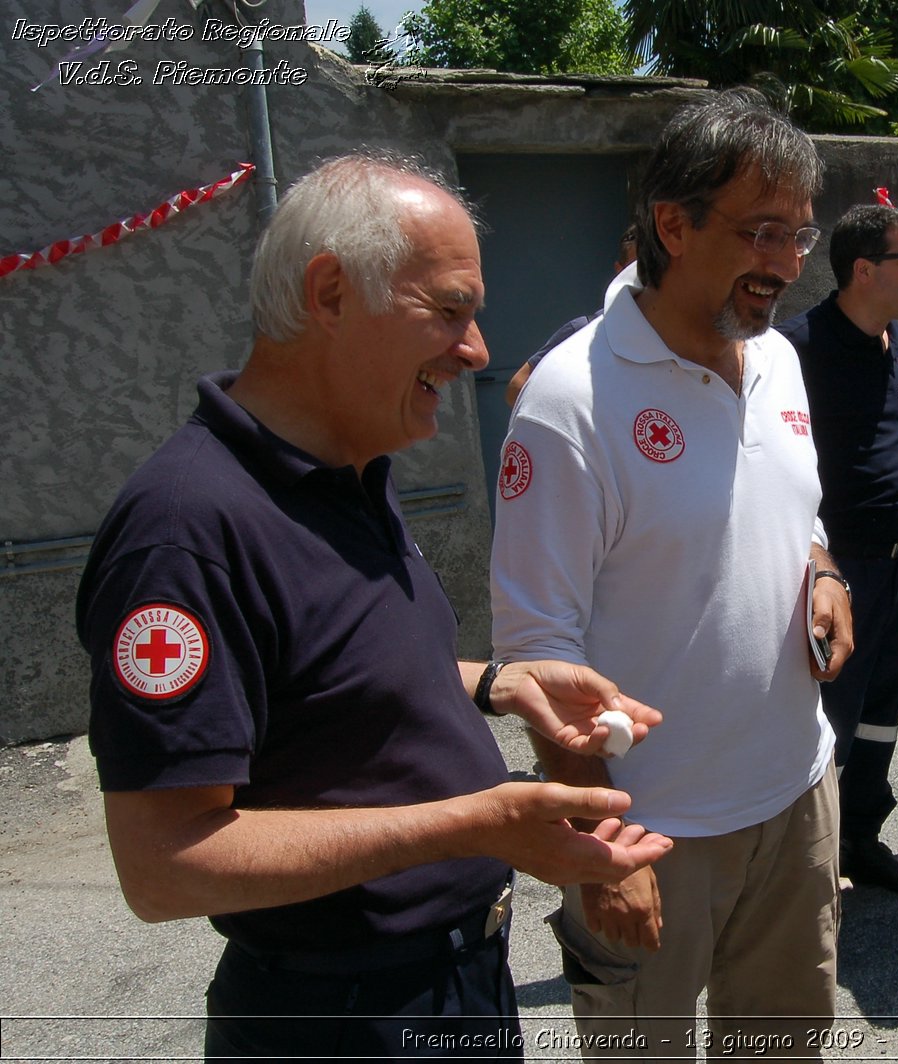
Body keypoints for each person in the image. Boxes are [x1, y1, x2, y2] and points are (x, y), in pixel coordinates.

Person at [75, 153, 674, 1061]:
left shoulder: (352, 469)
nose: (476, 350)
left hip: (449, 985)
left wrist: (501, 681)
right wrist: (478, 823)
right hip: (341, 1017)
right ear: (329, 293)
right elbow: (166, 866)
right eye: (450, 310)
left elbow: (323, 676)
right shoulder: (187, 528)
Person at [489, 89, 852, 1058]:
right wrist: (603, 848)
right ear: (673, 223)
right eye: (762, 231)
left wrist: (823, 572)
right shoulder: (569, 399)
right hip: (651, 827)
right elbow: (535, 650)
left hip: (796, 794)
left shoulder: (775, 356)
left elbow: (795, 511)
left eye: (798, 234)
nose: (783, 263)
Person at [776, 204, 898, 892]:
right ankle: (809, 858)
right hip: (842, 574)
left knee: (880, 714)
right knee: (828, 720)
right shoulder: (796, 348)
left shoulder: (889, 339)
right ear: (865, 270)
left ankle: (860, 836)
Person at [504, 225, 638, 406]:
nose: (647, 279)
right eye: (636, 269)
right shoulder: (583, 330)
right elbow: (517, 388)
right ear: (619, 270)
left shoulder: (679, 338)